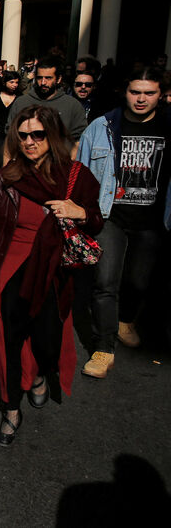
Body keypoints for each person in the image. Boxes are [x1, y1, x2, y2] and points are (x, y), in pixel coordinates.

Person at [0, 105, 103, 447]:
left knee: (46, 339)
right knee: (9, 340)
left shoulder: (75, 176)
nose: (29, 141)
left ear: (52, 135)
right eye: (23, 135)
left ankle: (40, 373)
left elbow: (97, 221)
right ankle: (11, 409)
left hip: (54, 268)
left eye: (38, 134)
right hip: (11, 263)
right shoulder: (6, 177)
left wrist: (80, 212)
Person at [76, 68, 170, 377]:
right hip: (109, 216)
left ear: (160, 94)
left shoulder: (167, 126)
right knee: (105, 283)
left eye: (149, 93)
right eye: (135, 92)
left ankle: (126, 320)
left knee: (139, 281)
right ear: (124, 92)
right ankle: (104, 349)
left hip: (152, 220)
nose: (141, 99)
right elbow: (81, 171)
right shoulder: (102, 127)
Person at [7, 55, 88, 150]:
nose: (43, 82)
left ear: (58, 79)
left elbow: (80, 139)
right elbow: (10, 134)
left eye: (48, 78)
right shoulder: (21, 102)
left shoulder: (72, 105)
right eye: (39, 78)